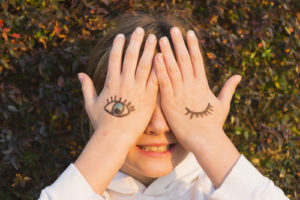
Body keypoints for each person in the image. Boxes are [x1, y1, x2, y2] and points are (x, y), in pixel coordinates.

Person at [39, 13, 289, 200]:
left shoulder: (221, 190)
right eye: (140, 104)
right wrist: (111, 138)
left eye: (173, 105)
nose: (158, 125)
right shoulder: (79, 189)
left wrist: (209, 139)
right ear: (95, 106)